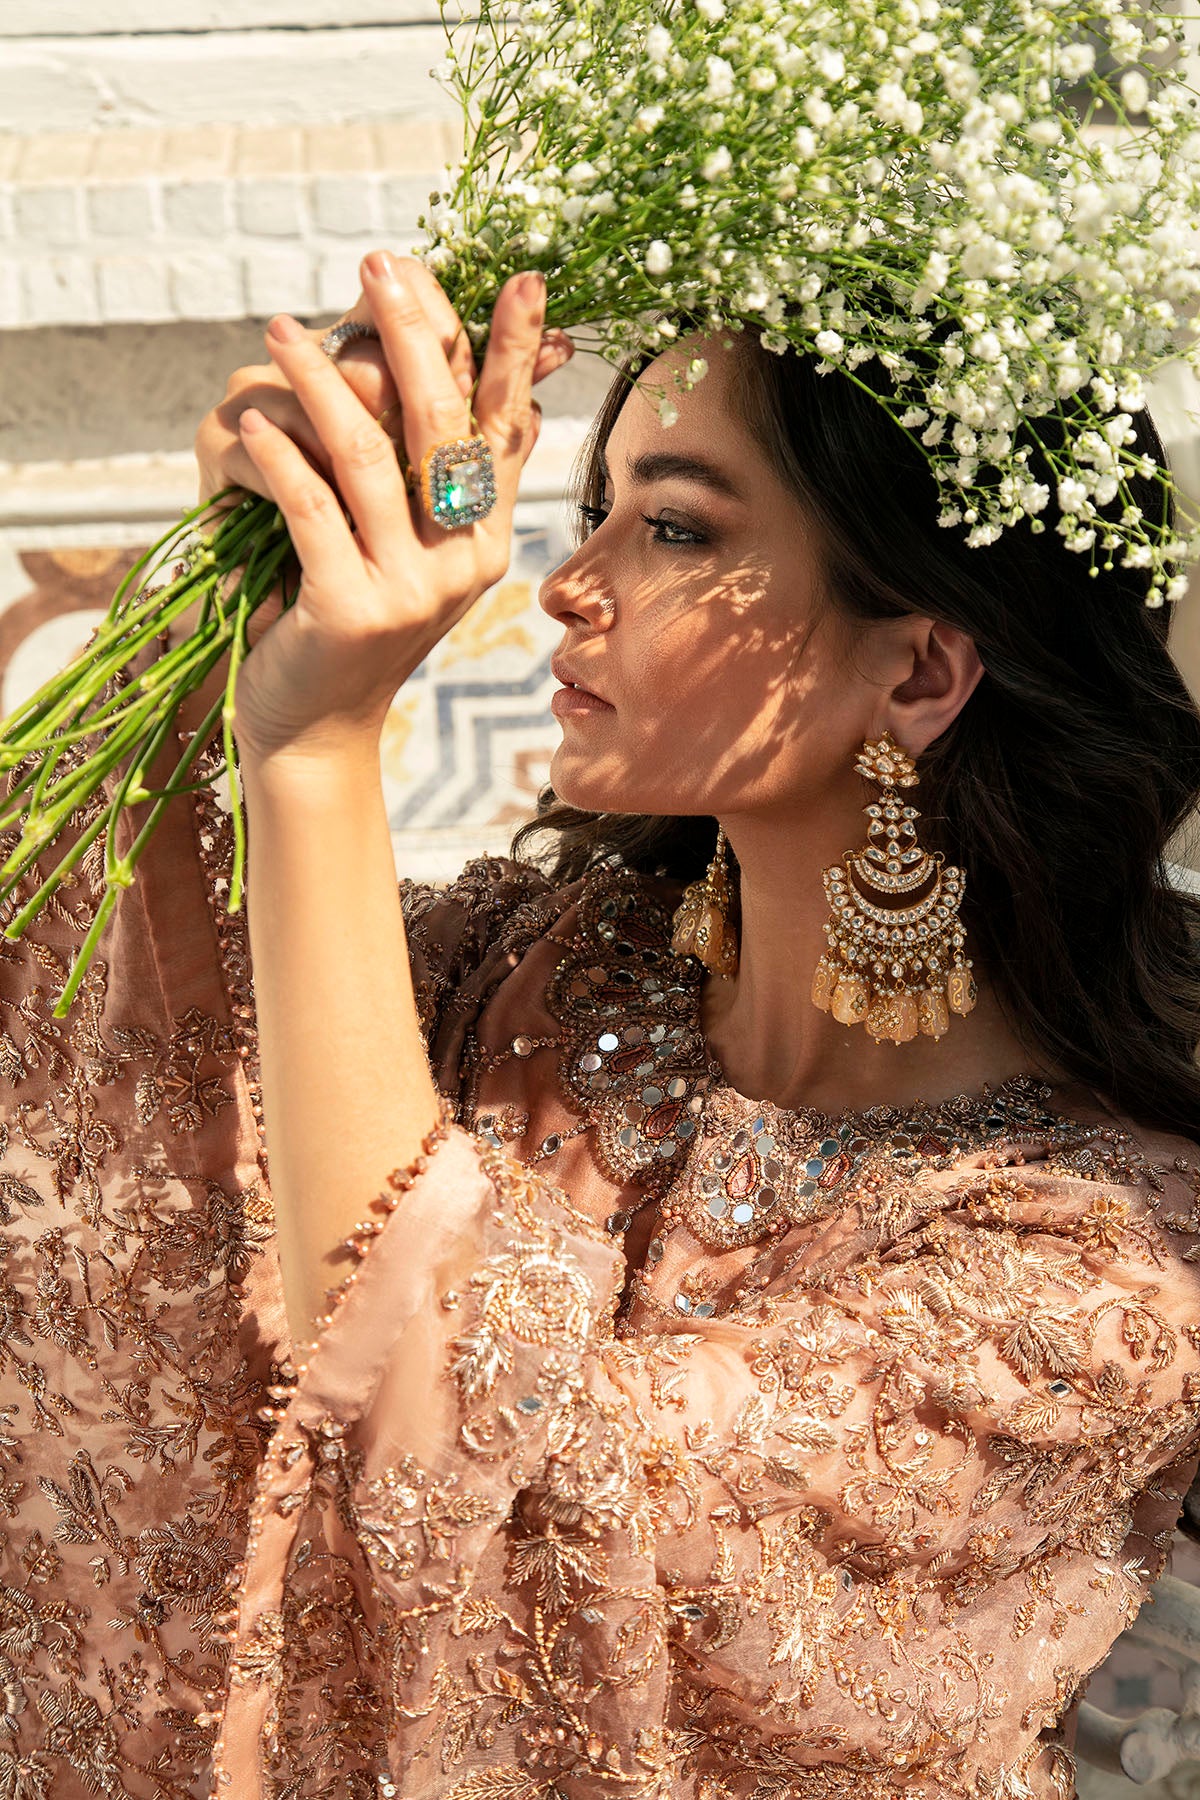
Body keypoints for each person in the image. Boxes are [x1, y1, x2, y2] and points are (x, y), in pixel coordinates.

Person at [3, 247, 1200, 1800]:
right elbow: (101, 1015)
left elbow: (460, 1491)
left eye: (677, 528)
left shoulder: (1098, 1279)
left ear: (917, 670)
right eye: (597, 509)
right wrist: (251, 582)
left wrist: (319, 752)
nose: (570, 584)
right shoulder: (530, 970)